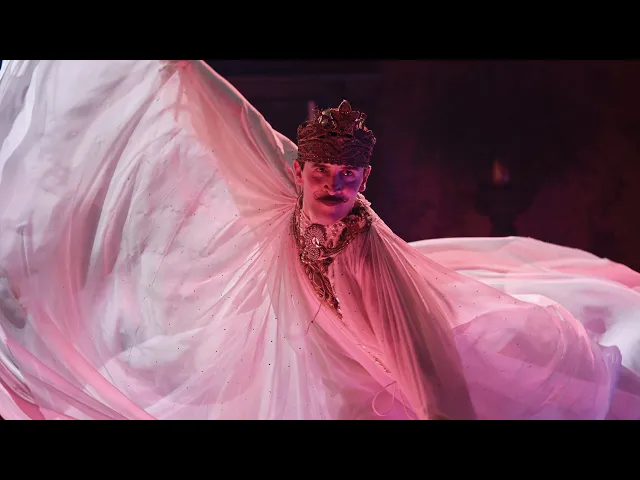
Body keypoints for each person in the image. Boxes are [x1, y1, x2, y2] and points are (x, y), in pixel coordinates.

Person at [0, 60, 639, 420]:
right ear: (299, 170)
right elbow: (232, 124)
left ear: (365, 180)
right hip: (301, 338)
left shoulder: (360, 243)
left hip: (360, 350)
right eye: (322, 173)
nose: (334, 186)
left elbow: (416, 348)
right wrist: (181, 75)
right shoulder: (281, 188)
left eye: (349, 177)